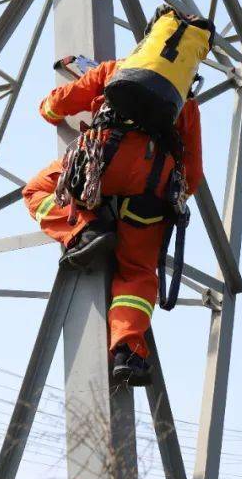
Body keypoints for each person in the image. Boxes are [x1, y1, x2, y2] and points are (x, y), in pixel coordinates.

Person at [22, 59, 203, 386]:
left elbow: (59, 105)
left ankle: (83, 230)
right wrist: (169, 198)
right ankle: (129, 353)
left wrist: (48, 107)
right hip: (152, 184)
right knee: (137, 272)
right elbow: (193, 174)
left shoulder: (117, 68)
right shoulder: (185, 97)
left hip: (103, 159)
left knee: (37, 190)